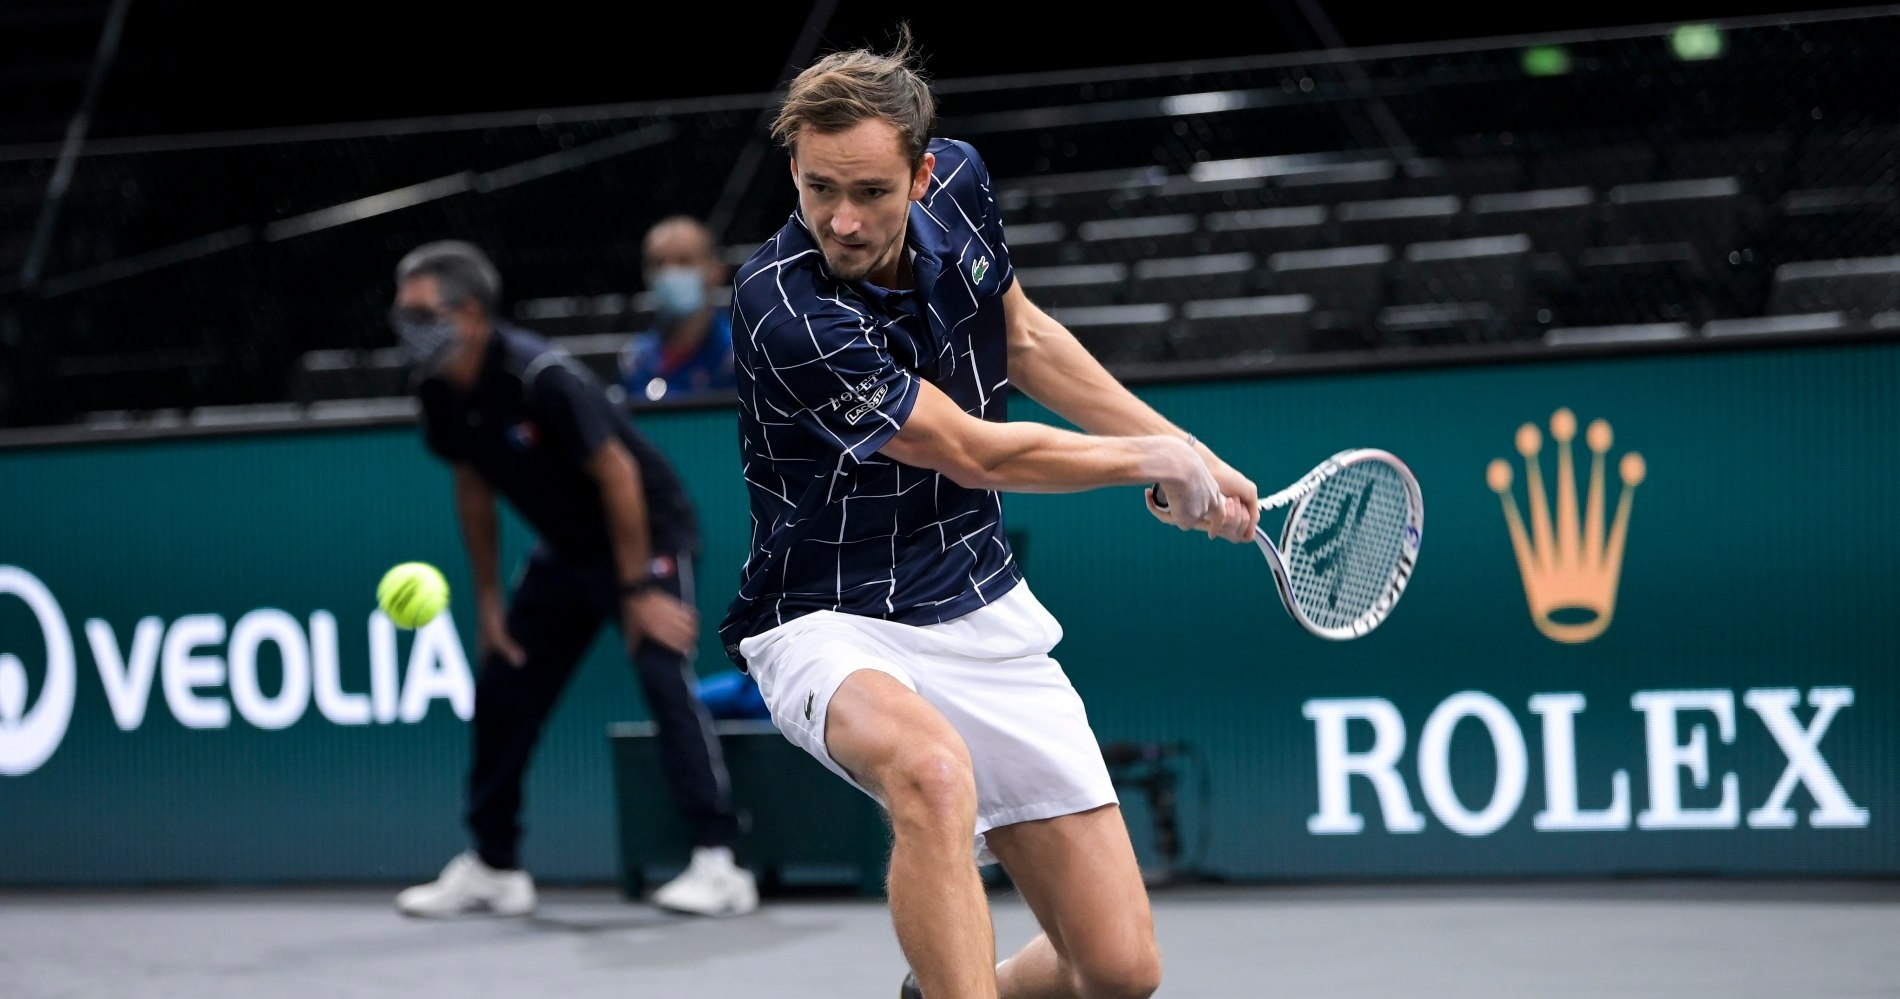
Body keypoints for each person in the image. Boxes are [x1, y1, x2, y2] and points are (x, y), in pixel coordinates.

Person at [719, 25, 1259, 999]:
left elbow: (1023, 335)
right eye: (816, 189)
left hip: (974, 602)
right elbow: (968, 449)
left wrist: (1192, 453)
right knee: (928, 773)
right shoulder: (782, 307)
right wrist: (1144, 459)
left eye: (869, 191)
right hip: (828, 618)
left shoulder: (964, 185)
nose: (839, 220)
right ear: (793, 171)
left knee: (1118, 969)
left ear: (923, 174)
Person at [386, 239, 759, 920]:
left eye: (420, 313)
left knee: (659, 669)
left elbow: (618, 473)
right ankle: (496, 866)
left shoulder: (540, 375)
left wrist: (639, 591)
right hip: (565, 549)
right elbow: (473, 484)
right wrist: (492, 605)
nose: (404, 328)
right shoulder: (437, 387)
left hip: (649, 529)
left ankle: (719, 860)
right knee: (503, 683)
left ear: (469, 314)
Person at [619, 214, 737, 403]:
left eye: (684, 261)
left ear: (716, 271)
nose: (669, 273)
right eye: (658, 263)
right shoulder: (635, 360)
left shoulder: (737, 354)